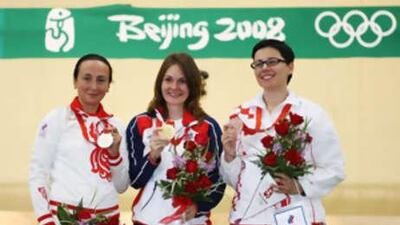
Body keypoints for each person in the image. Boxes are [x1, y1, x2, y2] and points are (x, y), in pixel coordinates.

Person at [220, 39, 345, 225]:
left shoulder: (311, 114)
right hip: (250, 217)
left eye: (272, 62)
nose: (264, 68)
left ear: (290, 66)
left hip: (297, 215)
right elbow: (235, 180)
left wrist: (299, 185)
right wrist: (229, 156)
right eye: (258, 63)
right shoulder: (240, 116)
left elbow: (334, 169)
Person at [125, 53, 226, 225]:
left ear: (193, 85)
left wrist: (197, 206)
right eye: (168, 79)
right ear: (160, 83)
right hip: (147, 220)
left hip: (191, 221)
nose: (174, 87)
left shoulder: (208, 126)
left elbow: (218, 179)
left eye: (182, 81)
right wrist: (153, 156)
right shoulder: (141, 123)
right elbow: (135, 181)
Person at [29, 54, 129, 225]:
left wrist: (114, 155)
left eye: (101, 80)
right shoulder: (56, 119)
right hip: (64, 218)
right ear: (75, 81)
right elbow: (37, 173)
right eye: (87, 78)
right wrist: (46, 220)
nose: (93, 86)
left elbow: (121, 186)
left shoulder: (116, 126)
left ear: (108, 86)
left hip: (108, 218)